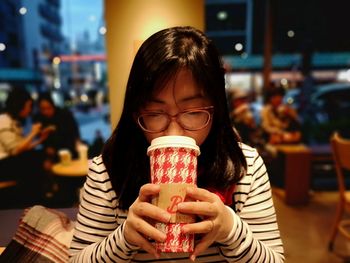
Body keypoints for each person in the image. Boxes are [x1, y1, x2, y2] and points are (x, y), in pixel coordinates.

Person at [69, 26, 284, 262]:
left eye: (192, 111)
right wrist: (123, 240)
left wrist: (230, 229)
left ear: (216, 109)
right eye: (155, 112)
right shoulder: (106, 171)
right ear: (136, 112)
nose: (173, 131)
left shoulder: (246, 167)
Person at [0, 87, 51, 206]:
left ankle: (37, 199)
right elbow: (15, 150)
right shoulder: (4, 121)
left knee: (37, 155)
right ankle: (36, 200)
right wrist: (33, 133)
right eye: (28, 106)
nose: (29, 110)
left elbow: (21, 147)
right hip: (2, 164)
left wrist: (40, 140)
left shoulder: (13, 121)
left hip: (9, 161)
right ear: (19, 105)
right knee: (34, 160)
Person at [33, 92, 81, 164]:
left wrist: (77, 143)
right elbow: (39, 137)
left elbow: (75, 131)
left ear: (53, 105)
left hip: (69, 150)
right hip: (51, 154)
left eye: (49, 108)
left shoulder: (64, 114)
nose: (46, 111)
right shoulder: (38, 118)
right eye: (43, 109)